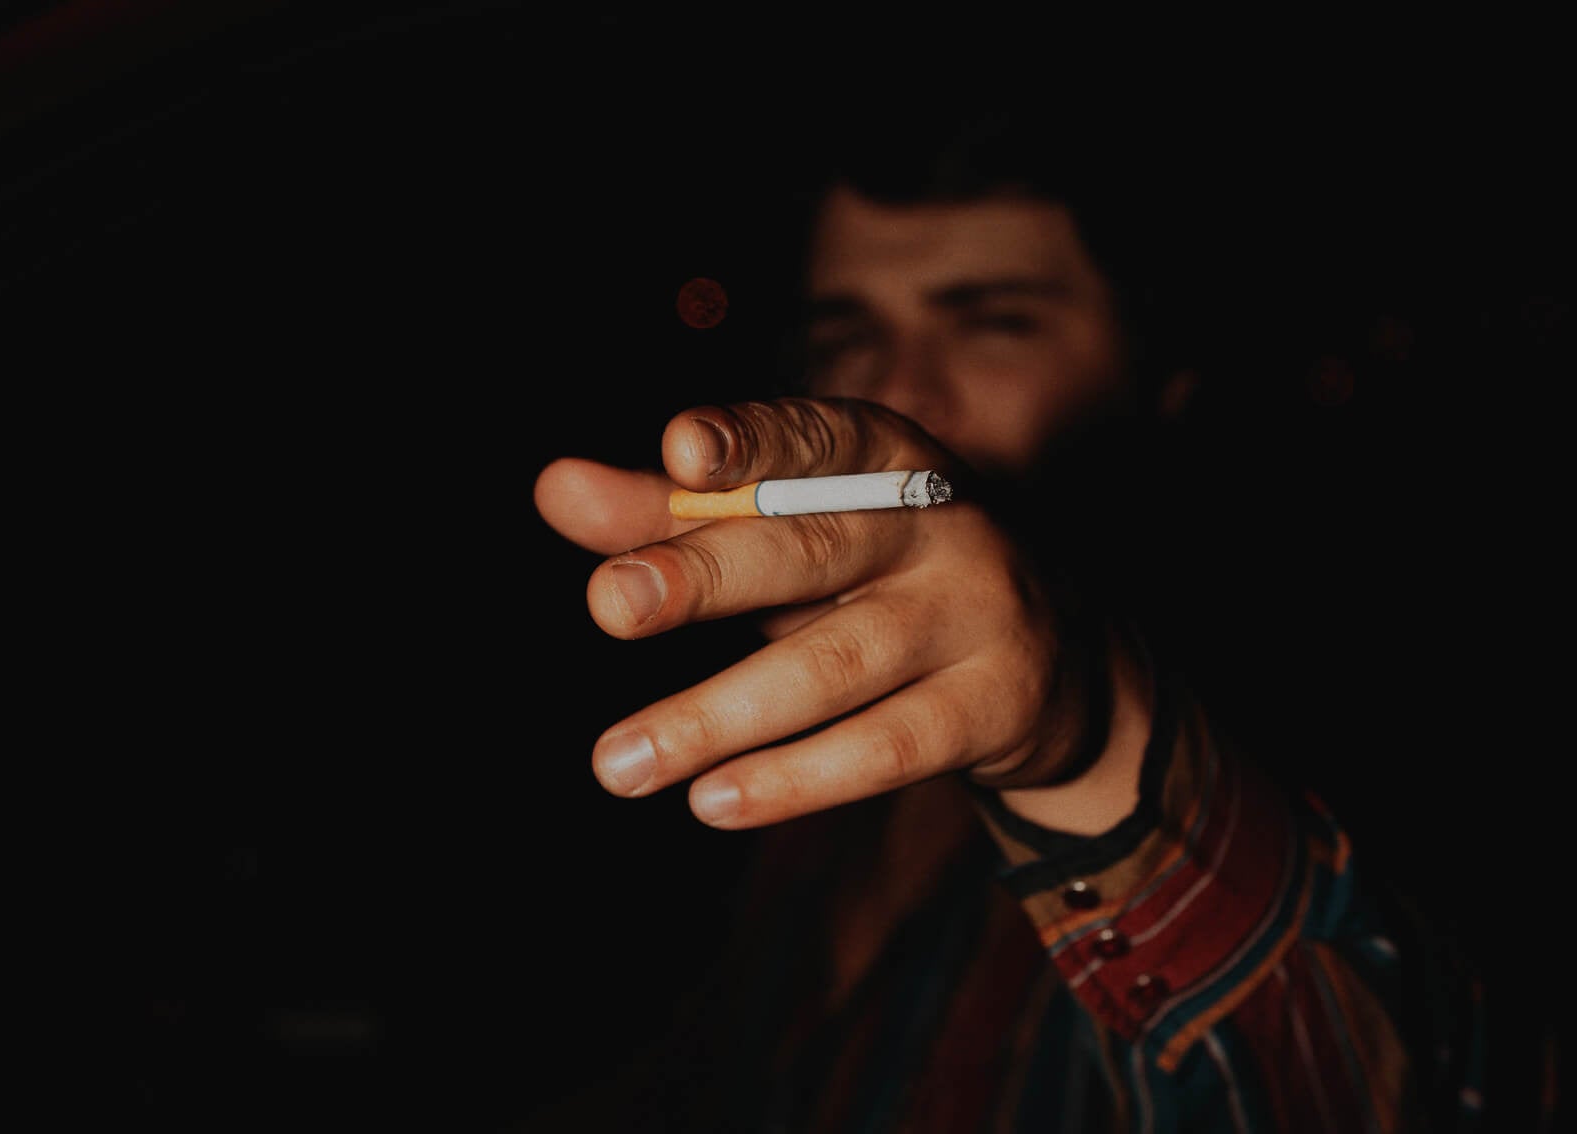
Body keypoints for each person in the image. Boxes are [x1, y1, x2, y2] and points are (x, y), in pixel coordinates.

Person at [528, 83, 1565, 1132]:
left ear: (1161, 379)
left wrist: (1091, 743)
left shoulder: (1346, 715)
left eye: (993, 326)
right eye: (851, 335)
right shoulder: (809, 785)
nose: (900, 395)